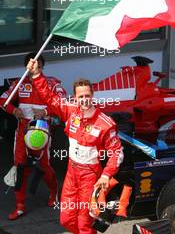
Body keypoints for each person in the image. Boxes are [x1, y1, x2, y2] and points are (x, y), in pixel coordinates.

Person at [27, 58, 124, 234]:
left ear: (92, 95)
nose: (84, 99)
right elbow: (50, 97)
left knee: (84, 225)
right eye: (81, 96)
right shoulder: (70, 110)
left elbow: (117, 152)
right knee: (66, 220)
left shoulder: (105, 123)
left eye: (87, 95)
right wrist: (36, 75)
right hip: (72, 173)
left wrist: (106, 175)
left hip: (90, 176)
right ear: (75, 97)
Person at [0, 53, 67, 220]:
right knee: (20, 166)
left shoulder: (52, 83)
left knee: (44, 167)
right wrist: (13, 110)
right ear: (26, 67)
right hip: (22, 130)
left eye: (37, 65)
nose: (33, 68)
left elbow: (63, 104)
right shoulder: (19, 83)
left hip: (42, 130)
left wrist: (45, 112)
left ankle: (53, 192)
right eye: (30, 66)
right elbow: (3, 99)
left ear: (42, 67)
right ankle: (20, 206)